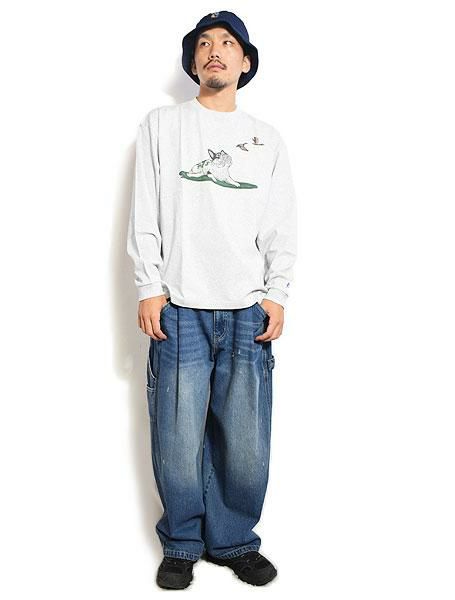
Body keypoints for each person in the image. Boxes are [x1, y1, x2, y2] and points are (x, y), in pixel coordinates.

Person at [126, 10, 297, 589]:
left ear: (245, 62)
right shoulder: (162, 125)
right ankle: (182, 541)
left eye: (227, 43)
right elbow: (144, 208)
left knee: (246, 445)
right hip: (178, 307)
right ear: (193, 60)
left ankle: (232, 541)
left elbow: (280, 222)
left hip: (248, 309)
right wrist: (149, 286)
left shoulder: (267, 139)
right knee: (176, 439)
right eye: (204, 43)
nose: (214, 50)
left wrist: (277, 292)